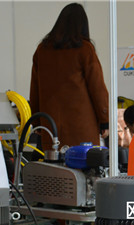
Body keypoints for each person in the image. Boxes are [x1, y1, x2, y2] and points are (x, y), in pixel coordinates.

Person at [29, 3, 108, 151]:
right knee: (82, 163)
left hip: (50, 127)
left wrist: (37, 120)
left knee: (54, 164)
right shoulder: (85, 49)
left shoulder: (42, 50)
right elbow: (97, 88)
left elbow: (35, 89)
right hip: (82, 128)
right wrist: (105, 120)